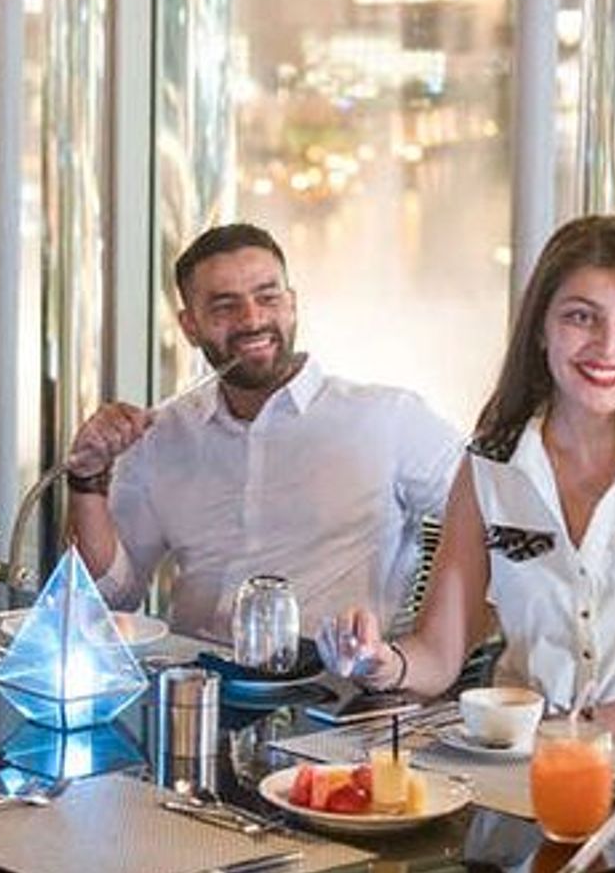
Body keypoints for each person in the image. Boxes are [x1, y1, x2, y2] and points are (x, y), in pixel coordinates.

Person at [324, 215, 615, 741]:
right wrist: (379, 661)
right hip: (518, 768)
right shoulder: (490, 463)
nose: (608, 346)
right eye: (581, 318)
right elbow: (439, 656)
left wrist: (569, 734)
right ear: (540, 328)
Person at [64, 222, 463, 641]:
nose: (252, 319)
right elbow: (109, 597)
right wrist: (87, 480)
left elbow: (491, 526)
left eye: (267, 298)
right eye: (224, 306)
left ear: (292, 305)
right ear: (190, 327)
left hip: (339, 677)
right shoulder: (161, 435)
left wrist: (432, 653)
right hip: (195, 675)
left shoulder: (389, 418)